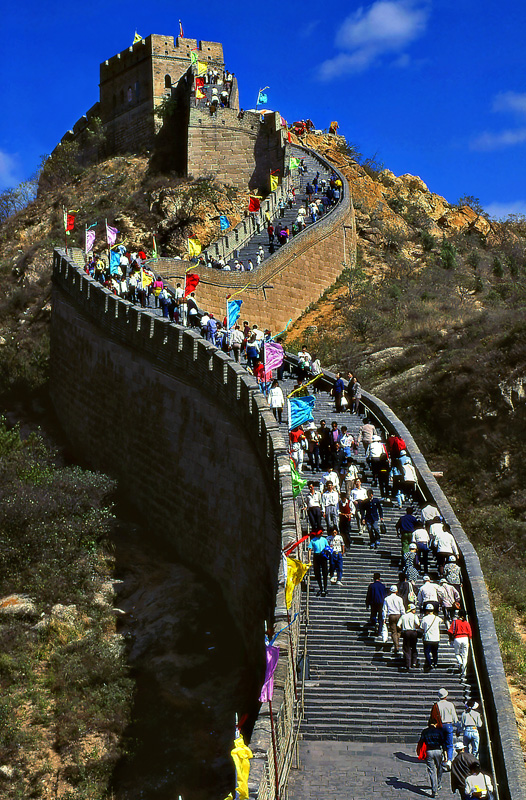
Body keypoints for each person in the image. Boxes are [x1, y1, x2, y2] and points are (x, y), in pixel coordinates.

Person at [417, 719, 447, 798]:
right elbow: (443, 743)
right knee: (439, 768)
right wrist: (445, 754)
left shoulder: (425, 731)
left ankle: (434, 790)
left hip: (429, 751)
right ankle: (438, 784)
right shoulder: (439, 731)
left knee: (431, 771)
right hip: (438, 751)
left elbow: (421, 741)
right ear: (436, 723)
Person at [433, 687, 459, 768]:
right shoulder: (450, 704)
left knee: (442, 743)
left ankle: (445, 758)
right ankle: (449, 760)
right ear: (446, 696)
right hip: (448, 725)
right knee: (450, 744)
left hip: (439, 726)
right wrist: (458, 726)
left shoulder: (436, 705)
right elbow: (454, 717)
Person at [381, 585, 405, 654]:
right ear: (397, 591)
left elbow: (384, 609)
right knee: (399, 630)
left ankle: (396, 645)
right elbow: (402, 608)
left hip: (391, 616)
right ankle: (397, 641)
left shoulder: (387, 598)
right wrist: (403, 616)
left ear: (390, 591)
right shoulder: (399, 599)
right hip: (398, 615)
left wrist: (384, 618)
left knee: (393, 631)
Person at [397, 602, 421, 671]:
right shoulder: (414, 616)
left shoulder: (403, 616)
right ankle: (414, 662)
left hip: (406, 632)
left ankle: (408, 663)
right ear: (412, 610)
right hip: (413, 632)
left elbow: (398, 625)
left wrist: (402, 629)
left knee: (406, 648)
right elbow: (418, 624)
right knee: (414, 647)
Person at [449, 612, 472, 677]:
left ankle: (460, 662)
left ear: (459, 615)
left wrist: (450, 639)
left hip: (457, 638)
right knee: (465, 656)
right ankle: (464, 672)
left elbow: (450, 631)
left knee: (457, 653)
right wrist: (469, 641)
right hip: (465, 638)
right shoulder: (466, 623)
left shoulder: (455, 622)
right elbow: (470, 633)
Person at [308, 529, 329, 597]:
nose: (321, 534)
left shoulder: (324, 539)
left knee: (325, 572)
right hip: (316, 556)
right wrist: (309, 559)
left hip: (323, 556)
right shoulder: (313, 540)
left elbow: (327, 546)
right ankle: (321, 588)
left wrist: (327, 552)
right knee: (317, 573)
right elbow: (310, 549)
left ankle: (325, 588)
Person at [421, 603, 441, 670]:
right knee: (435, 652)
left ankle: (429, 663)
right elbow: (441, 621)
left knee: (427, 652)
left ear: (426, 611)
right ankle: (435, 663)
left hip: (428, 638)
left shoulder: (424, 618)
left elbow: (421, 627)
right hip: (436, 638)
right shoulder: (437, 618)